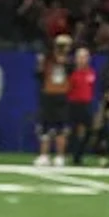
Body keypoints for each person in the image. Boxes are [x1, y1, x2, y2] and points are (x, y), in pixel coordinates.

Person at [34, 35, 73, 167]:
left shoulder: (69, 62)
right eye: (60, 46)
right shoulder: (47, 60)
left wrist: (64, 61)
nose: (62, 49)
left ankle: (60, 156)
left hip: (61, 96)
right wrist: (41, 64)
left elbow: (71, 73)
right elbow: (39, 75)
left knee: (61, 128)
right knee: (45, 128)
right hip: (48, 96)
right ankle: (44, 155)